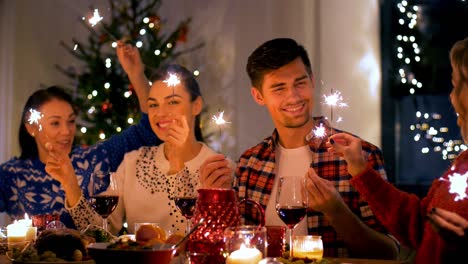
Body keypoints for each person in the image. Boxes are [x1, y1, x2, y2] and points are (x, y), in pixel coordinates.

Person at [200, 38, 398, 259]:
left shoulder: (359, 155)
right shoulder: (249, 163)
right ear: (258, 96)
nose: (293, 96)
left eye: (300, 83)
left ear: (312, 81)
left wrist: (336, 212)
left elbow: (389, 253)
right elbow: (234, 251)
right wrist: (217, 198)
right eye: (279, 88)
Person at [328, 37, 468, 263]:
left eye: (456, 85)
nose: (451, 97)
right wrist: (360, 169)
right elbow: (418, 225)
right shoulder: (462, 165)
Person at [59, 59, 233, 234]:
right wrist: (70, 184)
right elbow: (99, 232)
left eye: (172, 102)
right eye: (153, 104)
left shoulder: (218, 168)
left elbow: (199, 239)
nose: (160, 113)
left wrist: (177, 164)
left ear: (196, 106)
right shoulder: (134, 161)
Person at [0, 43, 161, 228]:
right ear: (31, 128)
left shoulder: (94, 160)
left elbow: (150, 129)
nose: (67, 131)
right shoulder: (11, 174)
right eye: (55, 123)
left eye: (71, 121)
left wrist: (136, 75)